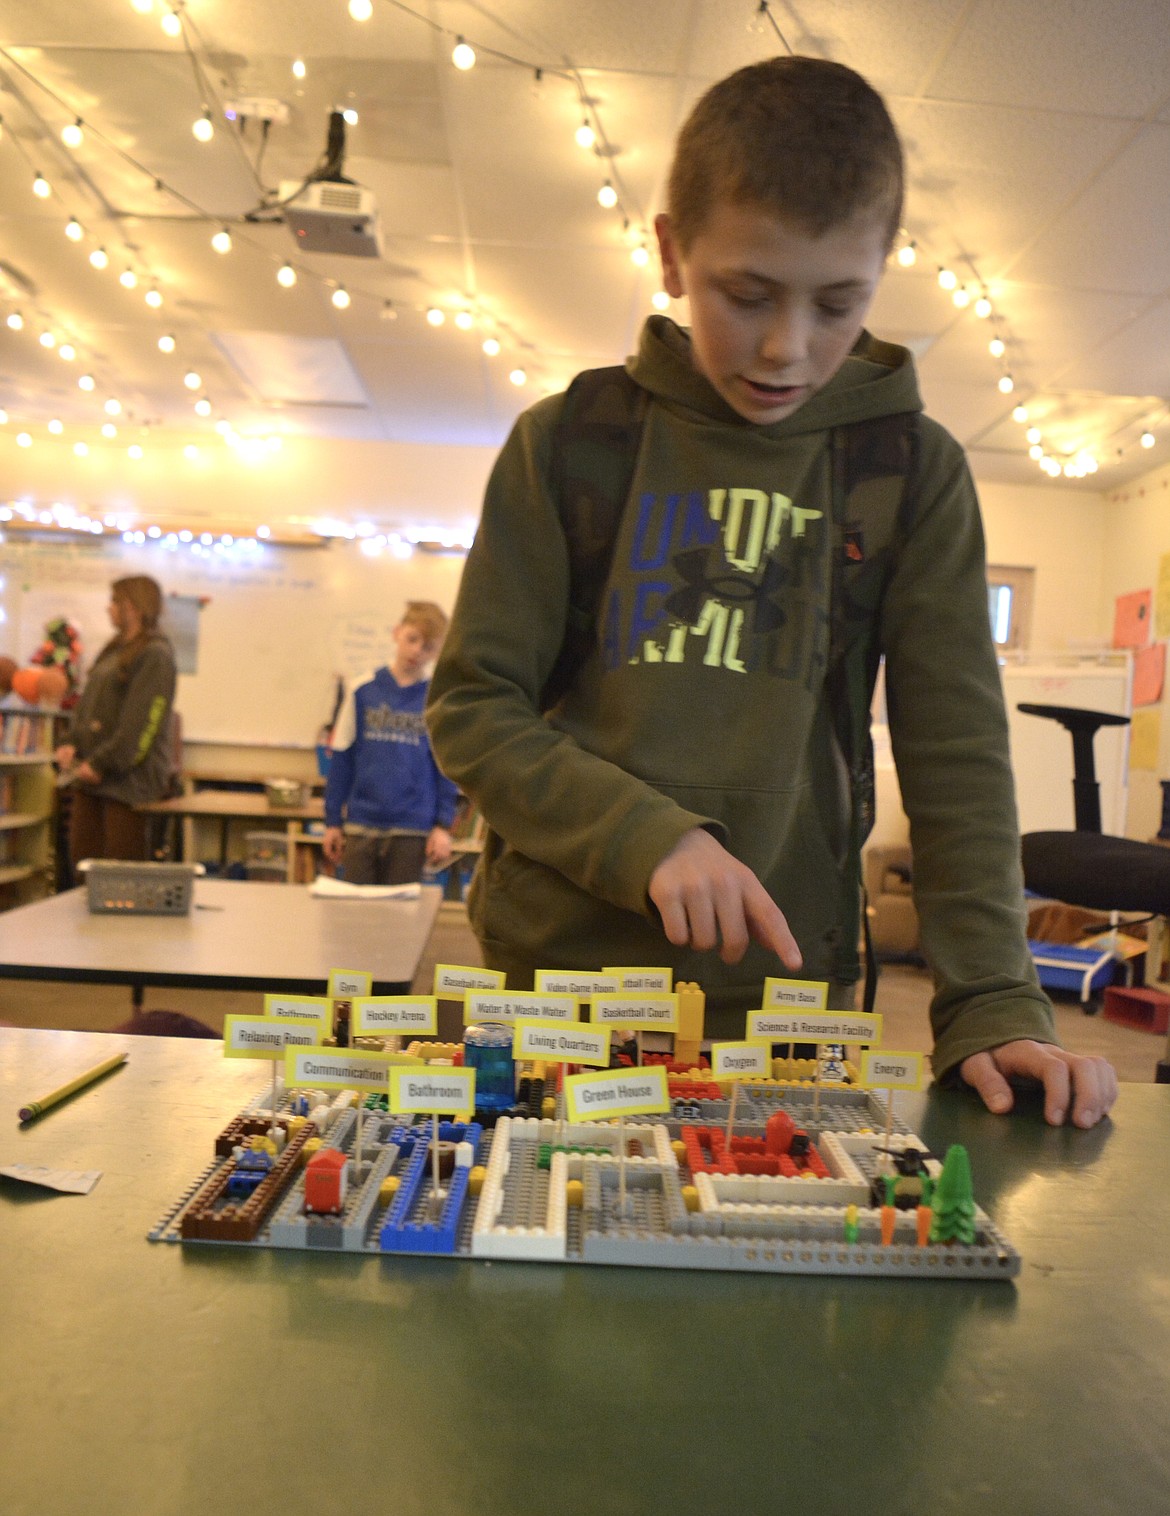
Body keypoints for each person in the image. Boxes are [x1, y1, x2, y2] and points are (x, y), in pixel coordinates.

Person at [426, 55, 1118, 1130]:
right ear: (670, 254)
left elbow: (957, 754)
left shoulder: (909, 471)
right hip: (554, 980)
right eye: (745, 294)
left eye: (838, 303)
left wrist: (991, 995)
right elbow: (472, 706)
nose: (787, 346)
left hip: (787, 996)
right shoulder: (567, 445)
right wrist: (647, 836)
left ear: (881, 273)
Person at [323, 600, 459, 885]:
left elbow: (445, 768)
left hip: (412, 829)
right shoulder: (362, 690)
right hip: (362, 825)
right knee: (358, 916)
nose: (416, 651)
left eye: (428, 647)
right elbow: (342, 758)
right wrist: (333, 820)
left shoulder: (437, 701)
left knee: (401, 920)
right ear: (397, 633)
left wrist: (442, 826)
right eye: (412, 639)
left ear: (437, 652)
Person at [55, 575, 177, 866]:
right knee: (83, 866)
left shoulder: (155, 655)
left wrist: (100, 764)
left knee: (118, 878)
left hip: (128, 787)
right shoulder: (113, 651)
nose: (108, 608)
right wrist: (70, 742)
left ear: (132, 607)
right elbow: (87, 708)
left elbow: (140, 727)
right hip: (91, 779)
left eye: (114, 601)